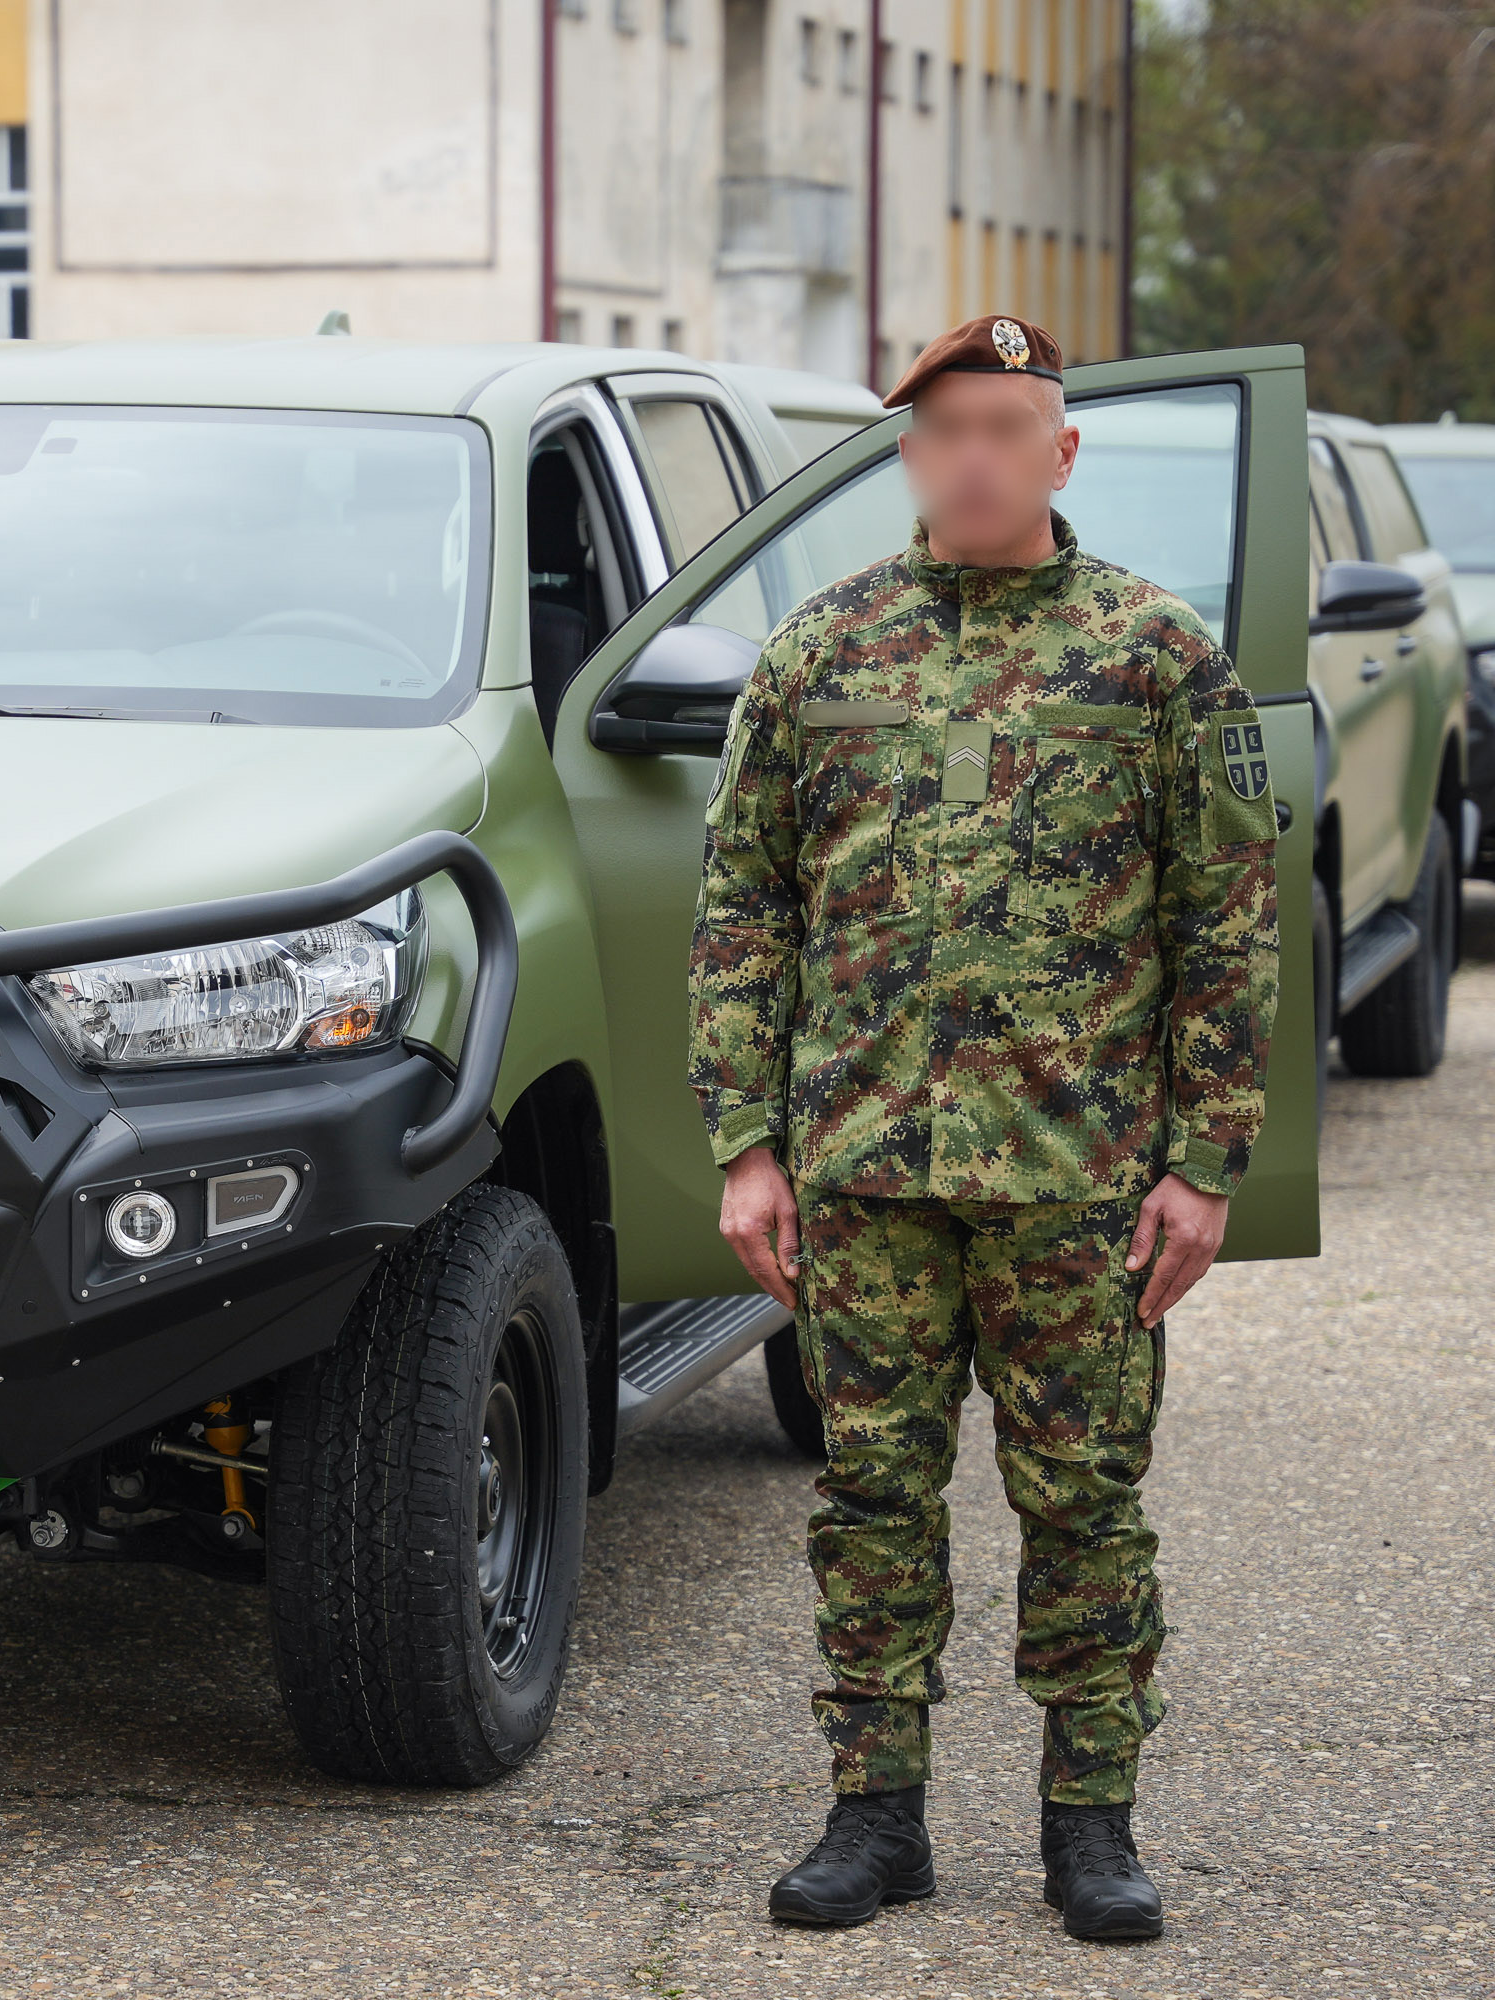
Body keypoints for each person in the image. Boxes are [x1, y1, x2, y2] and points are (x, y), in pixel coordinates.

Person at [688, 314, 1280, 1942]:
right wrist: (748, 1142)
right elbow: (743, 904)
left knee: (1083, 1500)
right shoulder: (821, 654)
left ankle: (1092, 1829)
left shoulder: (1156, 658)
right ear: (906, 452)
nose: (973, 456)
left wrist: (1204, 1164)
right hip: (864, 1167)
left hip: (1079, 1177)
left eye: (1007, 427)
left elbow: (1227, 924)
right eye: (945, 428)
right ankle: (874, 1822)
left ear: (1062, 452)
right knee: (869, 1497)